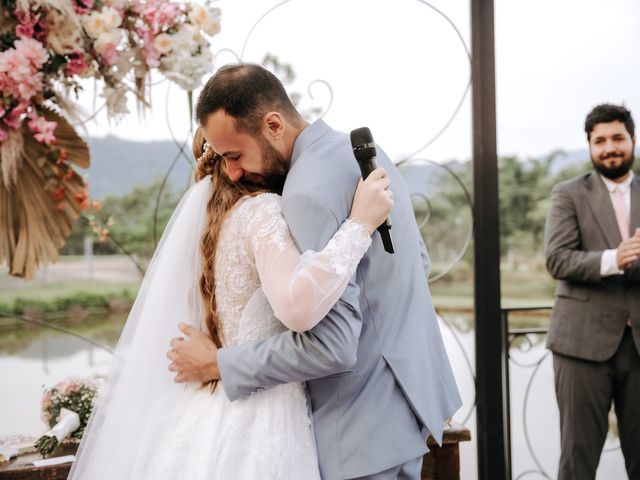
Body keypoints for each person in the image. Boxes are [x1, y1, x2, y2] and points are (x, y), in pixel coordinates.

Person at [169, 63, 461, 480]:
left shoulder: (304, 193)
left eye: (234, 154)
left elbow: (333, 346)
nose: (231, 171)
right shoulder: (363, 152)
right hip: (408, 409)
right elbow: (416, 262)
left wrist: (221, 363)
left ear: (273, 124)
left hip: (357, 434)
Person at [67, 123, 394, 477]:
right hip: (264, 413)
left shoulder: (208, 221)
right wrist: (359, 224)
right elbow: (300, 300)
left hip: (204, 408)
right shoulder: (263, 212)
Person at [545, 103, 640, 480]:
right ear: (589, 146)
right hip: (580, 347)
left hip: (639, 347)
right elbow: (557, 260)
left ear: (632, 140)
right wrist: (613, 259)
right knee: (578, 459)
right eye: (599, 141)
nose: (609, 147)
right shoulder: (567, 193)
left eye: (617, 138)